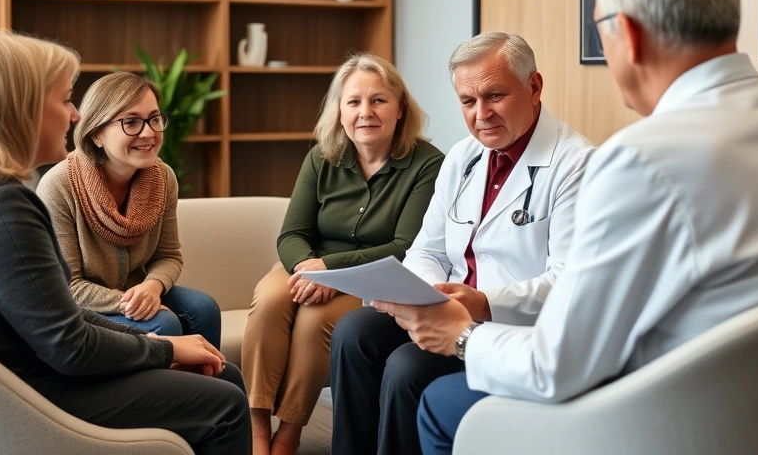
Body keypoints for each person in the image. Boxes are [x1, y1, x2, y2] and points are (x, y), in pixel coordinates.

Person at [371, 0, 758, 455]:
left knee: (442, 404)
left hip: (680, 424)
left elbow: (559, 365)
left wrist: (462, 336)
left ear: (625, 33)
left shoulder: (637, 161)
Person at [0, 32, 250, 455]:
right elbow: (69, 346)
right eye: (66, 99)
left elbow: (58, 319)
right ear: (21, 109)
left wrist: (161, 346)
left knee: (219, 371)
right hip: (22, 397)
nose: (75, 115)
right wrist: (161, 349)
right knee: (227, 401)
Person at [329, 33, 594, 455]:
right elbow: (426, 250)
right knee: (354, 332)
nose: (481, 114)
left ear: (534, 86)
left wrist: (481, 302)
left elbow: (570, 281)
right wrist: (423, 292)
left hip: (509, 329)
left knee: (406, 367)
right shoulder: (462, 157)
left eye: (494, 96)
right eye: (468, 102)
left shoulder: (576, 165)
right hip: (446, 306)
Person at [241, 53, 444, 455]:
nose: (365, 112)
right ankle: (256, 425)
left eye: (378, 100)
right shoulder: (321, 157)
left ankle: (291, 431)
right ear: (340, 110)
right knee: (268, 301)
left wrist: (330, 271)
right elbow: (292, 234)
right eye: (353, 102)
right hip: (308, 264)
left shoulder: (427, 164)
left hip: (370, 275)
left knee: (315, 322)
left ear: (400, 108)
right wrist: (308, 269)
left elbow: (405, 248)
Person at [37, 72, 221, 347]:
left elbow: (169, 256)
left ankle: (208, 389)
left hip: (137, 290)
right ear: (97, 134)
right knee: (164, 322)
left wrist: (153, 286)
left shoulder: (163, 178)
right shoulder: (59, 185)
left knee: (204, 308)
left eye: (154, 119)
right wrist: (132, 302)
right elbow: (67, 285)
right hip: (81, 306)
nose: (149, 133)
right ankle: (171, 391)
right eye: (131, 122)